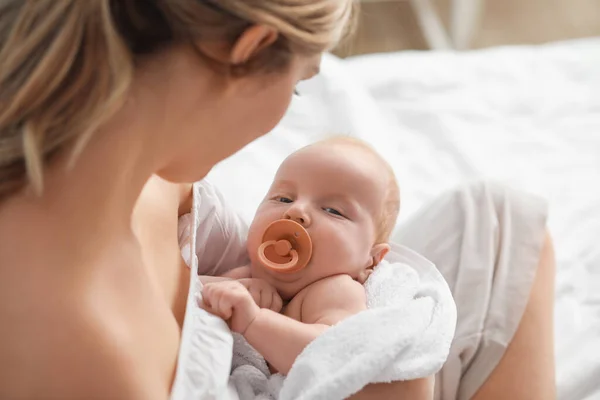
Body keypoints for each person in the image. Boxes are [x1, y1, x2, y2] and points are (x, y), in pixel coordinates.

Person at [0, 1, 555, 400]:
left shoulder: (146, 178)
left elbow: (250, 258)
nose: (295, 211)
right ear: (251, 50)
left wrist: (268, 284)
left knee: (496, 216)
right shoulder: (87, 354)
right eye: (296, 86)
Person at [199, 137, 402, 376]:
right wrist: (226, 288)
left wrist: (254, 321)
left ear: (372, 259)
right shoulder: (246, 270)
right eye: (284, 198)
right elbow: (184, 289)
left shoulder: (335, 290)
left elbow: (335, 355)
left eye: (332, 210)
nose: (295, 211)